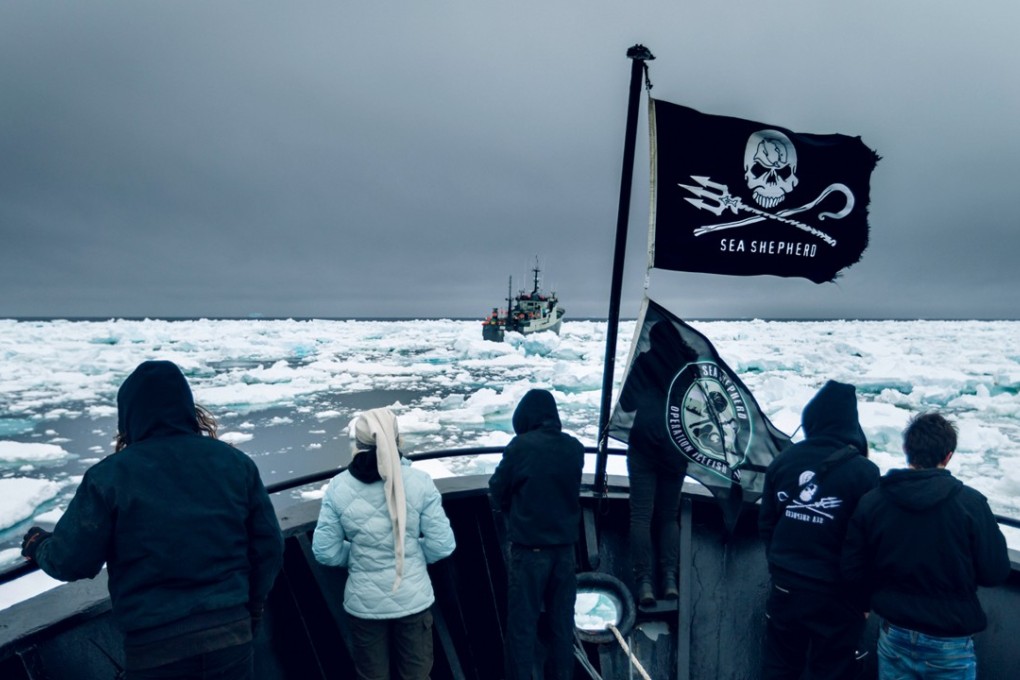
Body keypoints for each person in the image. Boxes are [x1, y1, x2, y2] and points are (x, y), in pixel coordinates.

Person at [20, 360, 284, 680]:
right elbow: (269, 546)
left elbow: (72, 560)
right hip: (230, 640)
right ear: (187, 408)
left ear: (128, 415)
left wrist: (39, 546)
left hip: (156, 652)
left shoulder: (109, 477)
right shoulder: (236, 464)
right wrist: (250, 611)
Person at [841, 412, 1010, 679]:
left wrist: (863, 603)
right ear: (948, 455)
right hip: (950, 641)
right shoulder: (971, 504)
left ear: (907, 450)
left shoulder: (874, 501)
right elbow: (995, 570)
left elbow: (853, 565)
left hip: (893, 632)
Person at [312, 408, 455, 680]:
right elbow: (442, 545)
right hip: (412, 598)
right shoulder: (420, 482)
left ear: (359, 443)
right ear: (396, 439)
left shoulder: (338, 487)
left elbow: (326, 552)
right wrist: (410, 553)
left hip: (364, 604)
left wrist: (356, 556)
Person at [758, 379, 880, 680]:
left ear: (812, 418)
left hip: (786, 588)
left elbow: (767, 524)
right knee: (833, 671)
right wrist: (864, 602)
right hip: (836, 595)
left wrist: (781, 570)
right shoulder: (865, 472)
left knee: (780, 668)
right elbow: (868, 543)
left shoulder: (783, 461)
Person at [488, 389, 584, 680]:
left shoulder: (521, 448)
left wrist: (511, 510)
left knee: (522, 629)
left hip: (529, 554)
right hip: (565, 554)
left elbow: (497, 490)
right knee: (561, 628)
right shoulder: (574, 448)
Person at [615, 319, 693, 606]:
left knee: (641, 516)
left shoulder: (645, 363)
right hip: (676, 448)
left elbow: (627, 404)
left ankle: (645, 582)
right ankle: (670, 579)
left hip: (644, 446)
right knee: (668, 515)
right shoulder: (689, 367)